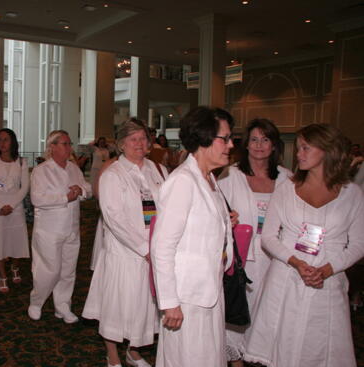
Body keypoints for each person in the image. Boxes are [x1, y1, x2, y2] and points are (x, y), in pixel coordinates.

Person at [244, 124, 364, 367]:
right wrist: (297, 263)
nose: (299, 154)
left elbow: (359, 244)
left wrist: (328, 269)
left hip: (328, 280)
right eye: (299, 148)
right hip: (287, 275)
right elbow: (268, 237)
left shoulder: (351, 193)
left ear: (327, 150)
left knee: (319, 346)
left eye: (306, 148)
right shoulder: (286, 187)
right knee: (283, 343)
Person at [151, 106, 236, 367]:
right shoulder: (183, 181)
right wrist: (170, 303)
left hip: (209, 290)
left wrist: (225, 223)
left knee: (208, 358)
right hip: (186, 297)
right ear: (204, 138)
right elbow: (162, 247)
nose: (231, 145)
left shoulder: (209, 178)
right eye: (225, 138)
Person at [83, 118, 167, 367]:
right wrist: (144, 248)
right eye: (133, 139)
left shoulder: (157, 169)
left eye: (143, 138)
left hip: (154, 249)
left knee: (144, 305)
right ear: (121, 144)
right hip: (124, 252)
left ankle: (134, 351)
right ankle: (113, 356)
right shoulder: (114, 174)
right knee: (117, 305)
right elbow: (114, 219)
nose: (139, 144)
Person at [217, 118, 291, 365]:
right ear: (246, 144)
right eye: (255, 139)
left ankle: (264, 355)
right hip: (243, 256)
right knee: (240, 306)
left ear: (274, 145)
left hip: (278, 257)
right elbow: (216, 213)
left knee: (271, 309)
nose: (260, 145)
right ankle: (235, 359)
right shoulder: (230, 175)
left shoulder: (288, 179)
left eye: (266, 139)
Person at [28, 130, 91, 322]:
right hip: (49, 230)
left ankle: (62, 306)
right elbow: (37, 199)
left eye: (69, 143)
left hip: (71, 227)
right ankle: (36, 302)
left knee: (68, 270)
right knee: (49, 270)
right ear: (52, 147)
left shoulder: (73, 168)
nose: (69, 147)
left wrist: (80, 190)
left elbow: (88, 188)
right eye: (64, 143)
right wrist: (65, 197)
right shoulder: (42, 171)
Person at [0, 128, 30, 292]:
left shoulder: (22, 162)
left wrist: (12, 205)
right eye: (0, 140)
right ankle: (3, 276)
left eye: (6, 140)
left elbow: (24, 187)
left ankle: (15, 266)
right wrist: (1, 206)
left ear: (13, 142)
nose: (2, 143)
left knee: (16, 240)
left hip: (15, 207)